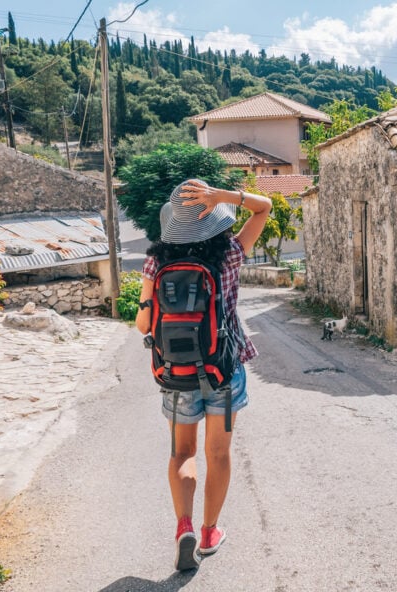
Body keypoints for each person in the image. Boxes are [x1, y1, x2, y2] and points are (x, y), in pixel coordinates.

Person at [135, 178, 271, 571]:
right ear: (214, 218)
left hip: (177, 374)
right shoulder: (230, 253)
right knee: (218, 453)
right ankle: (210, 532)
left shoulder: (156, 263)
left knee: (182, 453)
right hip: (223, 372)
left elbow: (143, 325)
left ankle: (184, 527)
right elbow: (264, 207)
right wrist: (223, 197)